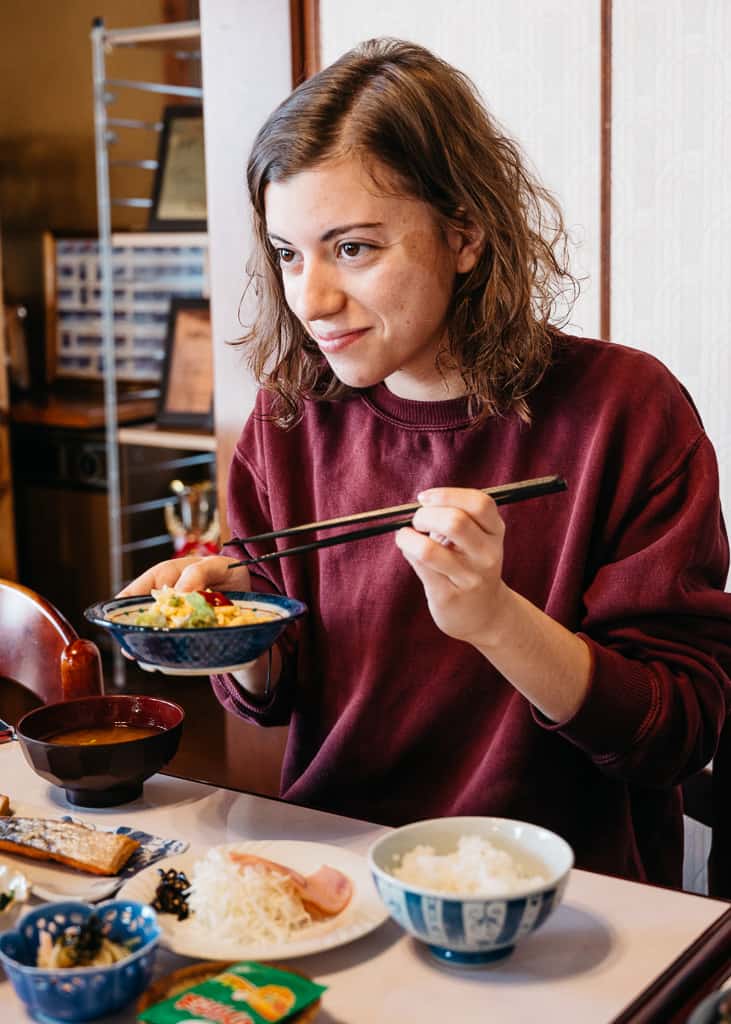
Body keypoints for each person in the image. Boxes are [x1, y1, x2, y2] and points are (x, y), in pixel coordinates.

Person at [121, 38, 731, 889]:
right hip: (335, 875)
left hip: (564, 894)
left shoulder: (624, 410)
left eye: (354, 248)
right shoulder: (290, 416)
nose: (311, 300)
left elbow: (677, 732)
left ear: (465, 234)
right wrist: (228, 634)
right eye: (289, 254)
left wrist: (493, 617)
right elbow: (273, 695)